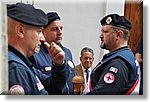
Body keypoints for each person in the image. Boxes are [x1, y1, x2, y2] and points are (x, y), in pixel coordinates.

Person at [8, 2, 69, 95]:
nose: (42, 38)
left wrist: (59, 65)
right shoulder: (16, 69)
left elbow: (53, 88)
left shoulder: (22, 63)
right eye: (39, 31)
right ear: (20, 31)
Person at [87, 14, 141, 95]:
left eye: (105, 32)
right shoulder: (122, 56)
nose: (100, 36)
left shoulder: (118, 63)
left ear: (119, 35)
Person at [30, 12, 75, 95]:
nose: (60, 32)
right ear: (43, 33)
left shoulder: (67, 52)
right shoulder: (35, 54)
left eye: (61, 28)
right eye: (54, 29)